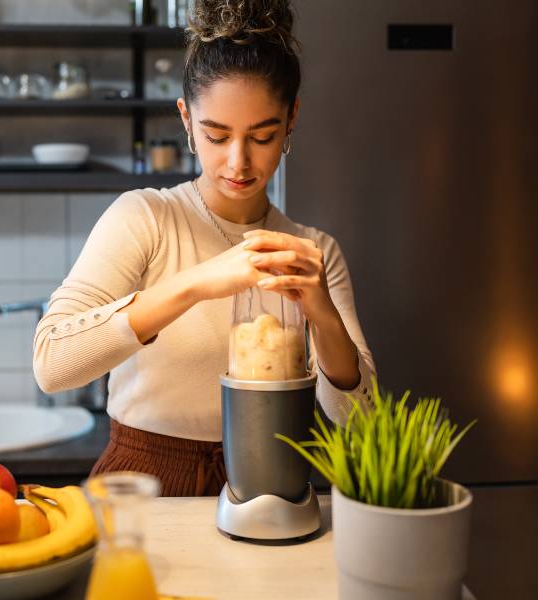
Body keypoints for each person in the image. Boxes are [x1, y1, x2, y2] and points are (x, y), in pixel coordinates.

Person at [33, 0, 375, 497]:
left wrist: (322, 315)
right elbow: (52, 364)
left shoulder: (312, 251)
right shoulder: (145, 217)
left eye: (263, 135)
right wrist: (194, 284)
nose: (239, 161)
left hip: (271, 481)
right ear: (187, 120)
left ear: (292, 118)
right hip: (146, 484)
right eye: (217, 135)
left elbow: (360, 420)